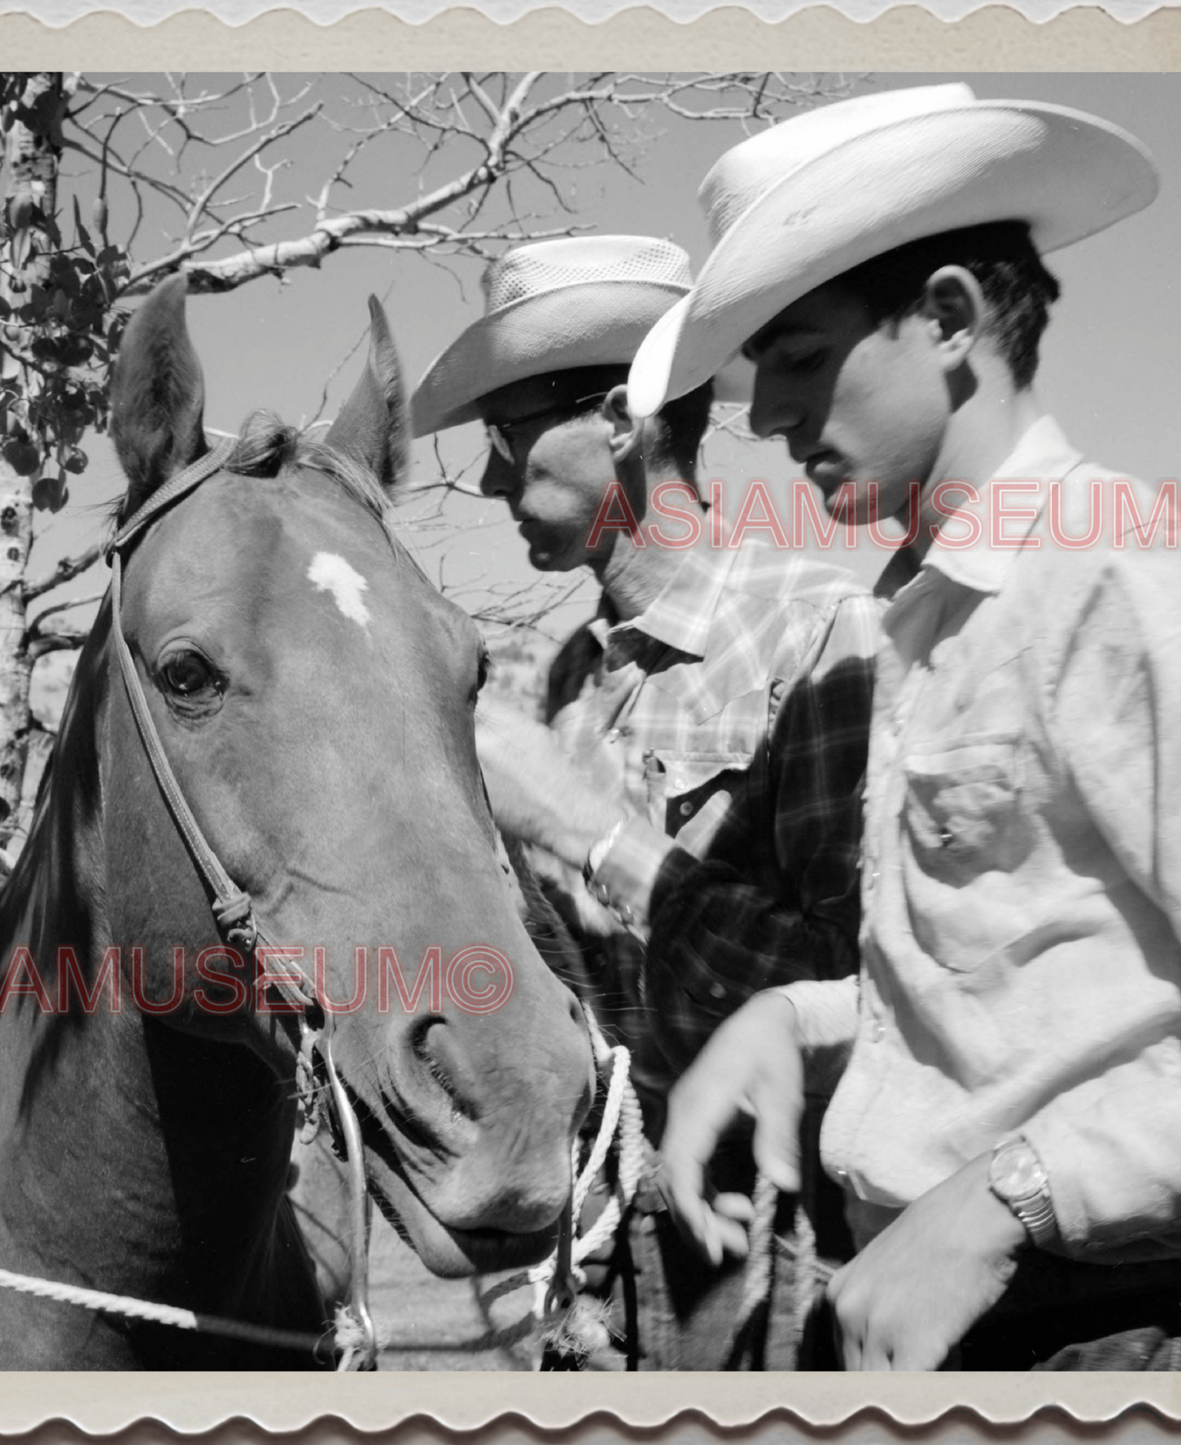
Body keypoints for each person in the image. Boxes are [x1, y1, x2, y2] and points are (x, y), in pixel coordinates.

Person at [633, 83, 1181, 1370]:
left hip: (1112, 1327)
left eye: (795, 356)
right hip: (925, 1313)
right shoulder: (920, 619)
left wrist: (1011, 1195)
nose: (766, 417)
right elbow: (1030, 987)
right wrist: (798, 1018)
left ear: (947, 318)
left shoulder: (1125, 576)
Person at [410, 235, 883, 1368]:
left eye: (506, 437)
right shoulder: (566, 677)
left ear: (620, 419)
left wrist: (586, 830)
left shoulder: (817, 632)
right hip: (611, 1238)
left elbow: (864, 997)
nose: (485, 479)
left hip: (785, 1239)